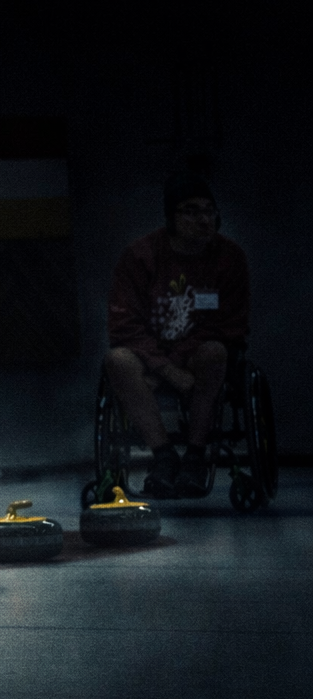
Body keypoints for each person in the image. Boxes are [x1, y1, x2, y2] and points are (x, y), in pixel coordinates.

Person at [105, 171, 249, 499]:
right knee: (118, 360)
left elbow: (229, 325)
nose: (203, 220)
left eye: (208, 211)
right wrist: (165, 368)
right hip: (151, 357)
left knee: (217, 352)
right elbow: (125, 325)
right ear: (172, 218)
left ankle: (196, 456)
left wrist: (179, 362)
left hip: (198, 355)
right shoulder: (140, 257)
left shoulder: (230, 258)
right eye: (191, 211)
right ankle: (164, 456)